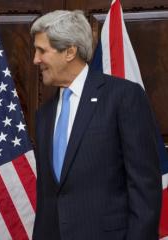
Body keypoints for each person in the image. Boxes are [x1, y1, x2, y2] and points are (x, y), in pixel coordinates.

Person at [31, 10, 162, 240]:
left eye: (42, 50)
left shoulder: (123, 97)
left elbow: (144, 190)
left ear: (70, 51)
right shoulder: (44, 115)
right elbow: (47, 198)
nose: (35, 59)